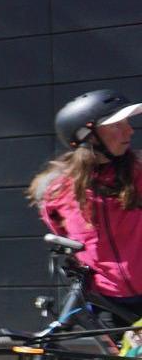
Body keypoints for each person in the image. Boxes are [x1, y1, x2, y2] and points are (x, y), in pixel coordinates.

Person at [31, 90, 142, 309]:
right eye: (116, 125)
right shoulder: (57, 188)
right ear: (87, 135)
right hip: (107, 302)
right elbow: (62, 234)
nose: (129, 131)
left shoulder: (138, 172)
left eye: (127, 123)